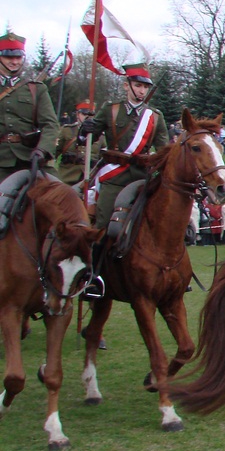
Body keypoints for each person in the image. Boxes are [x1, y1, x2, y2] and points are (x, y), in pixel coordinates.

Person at [79, 63, 169, 297]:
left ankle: (169, 272)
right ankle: (93, 277)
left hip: (142, 177)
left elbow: (163, 150)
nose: (141, 91)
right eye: (137, 85)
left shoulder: (155, 117)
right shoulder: (111, 110)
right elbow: (90, 134)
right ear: (126, 85)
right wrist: (84, 129)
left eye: (145, 87)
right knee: (102, 226)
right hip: (113, 175)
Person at [0, 31, 60, 182]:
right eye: (9, 57)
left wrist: (42, 150)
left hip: (30, 157)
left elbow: (50, 124)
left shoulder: (36, 89)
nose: (14, 62)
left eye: (18, 57)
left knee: (62, 197)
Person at [55, 101, 100, 185]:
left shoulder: (100, 135)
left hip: (90, 180)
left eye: (91, 115)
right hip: (67, 177)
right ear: (77, 114)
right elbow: (53, 153)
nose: (87, 117)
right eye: (84, 114)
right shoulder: (67, 130)